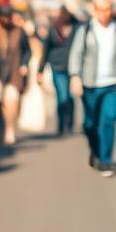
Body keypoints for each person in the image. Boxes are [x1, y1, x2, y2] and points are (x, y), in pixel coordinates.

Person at [68, 0, 116, 176]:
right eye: (100, 10)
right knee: (90, 124)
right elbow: (76, 54)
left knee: (108, 120)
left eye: (107, 10)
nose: (104, 14)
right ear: (94, 10)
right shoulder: (86, 29)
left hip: (113, 83)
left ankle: (105, 160)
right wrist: (75, 76)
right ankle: (95, 150)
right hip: (90, 84)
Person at [0, 5, 32, 146]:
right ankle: (8, 126)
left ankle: (10, 129)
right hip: (0, 74)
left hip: (15, 73)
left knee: (12, 99)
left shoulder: (19, 32)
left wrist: (24, 64)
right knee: (4, 103)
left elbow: (27, 51)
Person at [41, 7, 78, 136]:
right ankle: (62, 124)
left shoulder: (76, 28)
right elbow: (45, 49)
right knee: (62, 96)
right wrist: (41, 69)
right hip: (57, 66)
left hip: (73, 67)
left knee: (70, 96)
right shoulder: (53, 29)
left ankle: (69, 123)